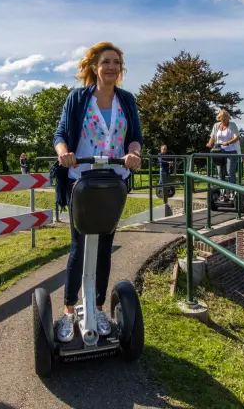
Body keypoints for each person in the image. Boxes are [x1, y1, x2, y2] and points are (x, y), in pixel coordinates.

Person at [53, 41, 143, 343]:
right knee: (79, 247)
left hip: (113, 181)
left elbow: (135, 137)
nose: (111, 67)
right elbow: (61, 133)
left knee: (105, 246)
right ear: (94, 66)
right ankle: (69, 310)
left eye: (116, 62)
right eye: (106, 61)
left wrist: (133, 153)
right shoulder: (78, 98)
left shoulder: (126, 100)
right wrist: (64, 153)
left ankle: (99, 308)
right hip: (81, 180)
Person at [206, 109, 241, 200]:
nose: (223, 121)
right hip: (219, 151)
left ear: (228, 118)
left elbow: (236, 137)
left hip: (231, 151)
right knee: (220, 173)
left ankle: (232, 192)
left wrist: (228, 142)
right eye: (221, 119)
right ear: (219, 118)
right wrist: (210, 143)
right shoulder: (216, 125)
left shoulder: (232, 125)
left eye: (225, 119)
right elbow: (213, 137)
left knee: (230, 172)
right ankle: (222, 193)